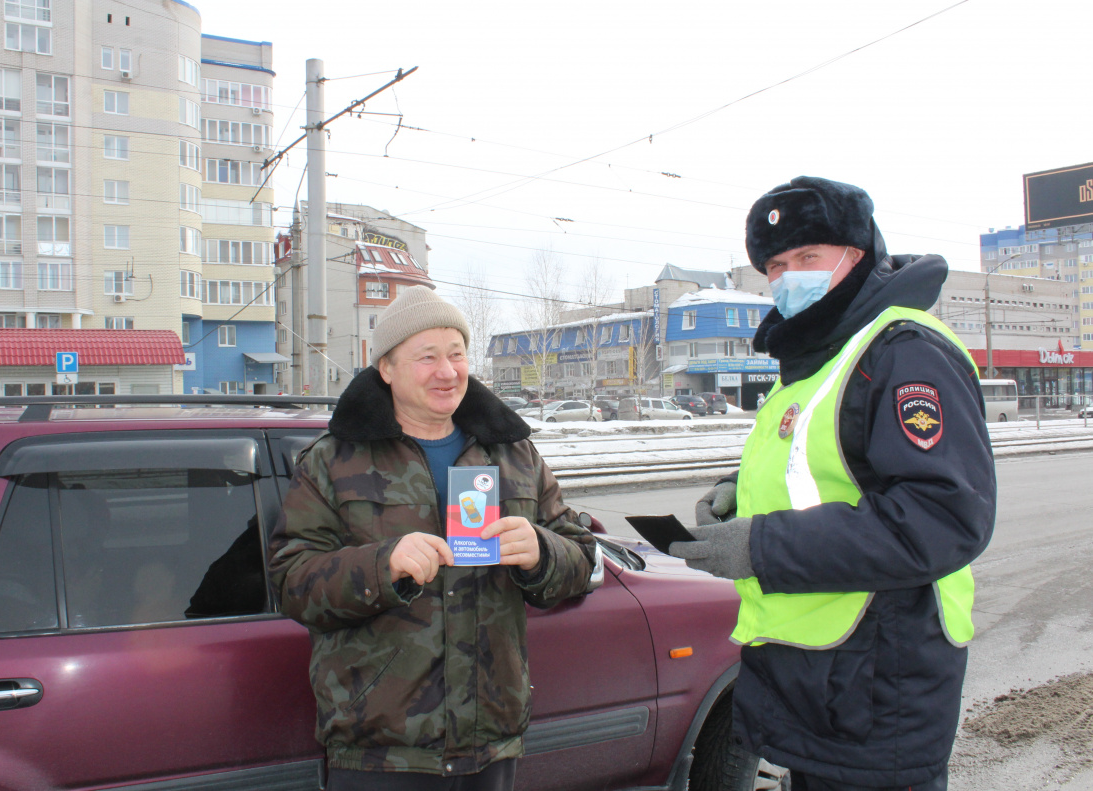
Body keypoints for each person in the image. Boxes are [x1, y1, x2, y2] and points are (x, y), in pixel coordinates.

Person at [671, 176, 996, 790]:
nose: (789, 276)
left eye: (808, 258)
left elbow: (944, 518)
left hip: (879, 681)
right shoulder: (818, 356)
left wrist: (759, 547)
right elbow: (827, 467)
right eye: (775, 265)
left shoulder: (903, 351)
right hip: (822, 681)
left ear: (858, 255)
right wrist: (738, 490)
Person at [268, 285, 596, 791]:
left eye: (457, 354)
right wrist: (383, 566)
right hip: (381, 754)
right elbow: (292, 580)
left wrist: (542, 552)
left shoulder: (513, 454)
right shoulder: (334, 460)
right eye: (427, 357)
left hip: (492, 742)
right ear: (387, 368)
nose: (447, 372)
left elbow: (581, 556)